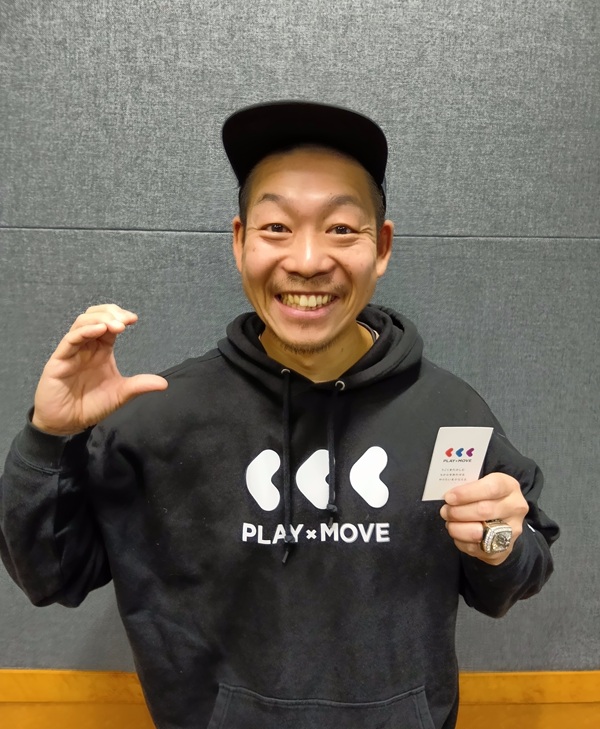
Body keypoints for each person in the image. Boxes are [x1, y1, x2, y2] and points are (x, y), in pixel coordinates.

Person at [0, 101, 559, 729]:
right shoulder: (159, 416)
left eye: (341, 229)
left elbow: (514, 573)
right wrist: (48, 439)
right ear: (240, 242)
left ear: (381, 247)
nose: (308, 260)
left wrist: (500, 542)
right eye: (276, 228)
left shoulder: (447, 415)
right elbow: (51, 575)